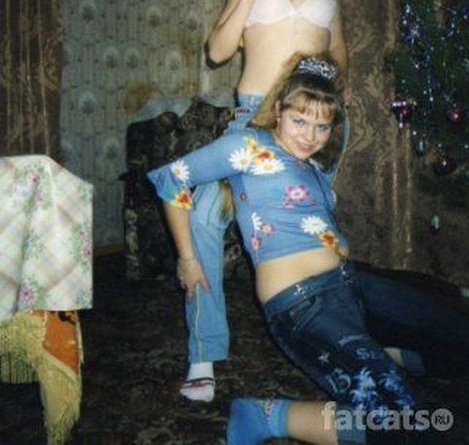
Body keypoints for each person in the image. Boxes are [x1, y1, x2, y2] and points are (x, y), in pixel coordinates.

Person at [147, 54, 469, 444]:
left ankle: (380, 353)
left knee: (459, 333)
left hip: (354, 284)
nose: (310, 135)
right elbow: (171, 180)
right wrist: (188, 258)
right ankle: (266, 415)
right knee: (408, 425)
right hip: (304, 306)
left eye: (321, 126)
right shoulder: (250, 146)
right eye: (299, 120)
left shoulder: (313, 166)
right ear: (278, 111)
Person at [178, 0, 350, 402]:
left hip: (310, 122)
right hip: (255, 118)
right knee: (205, 215)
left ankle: (342, 342)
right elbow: (217, 50)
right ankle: (204, 351)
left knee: (315, 231)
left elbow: (340, 55)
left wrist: (326, 109)